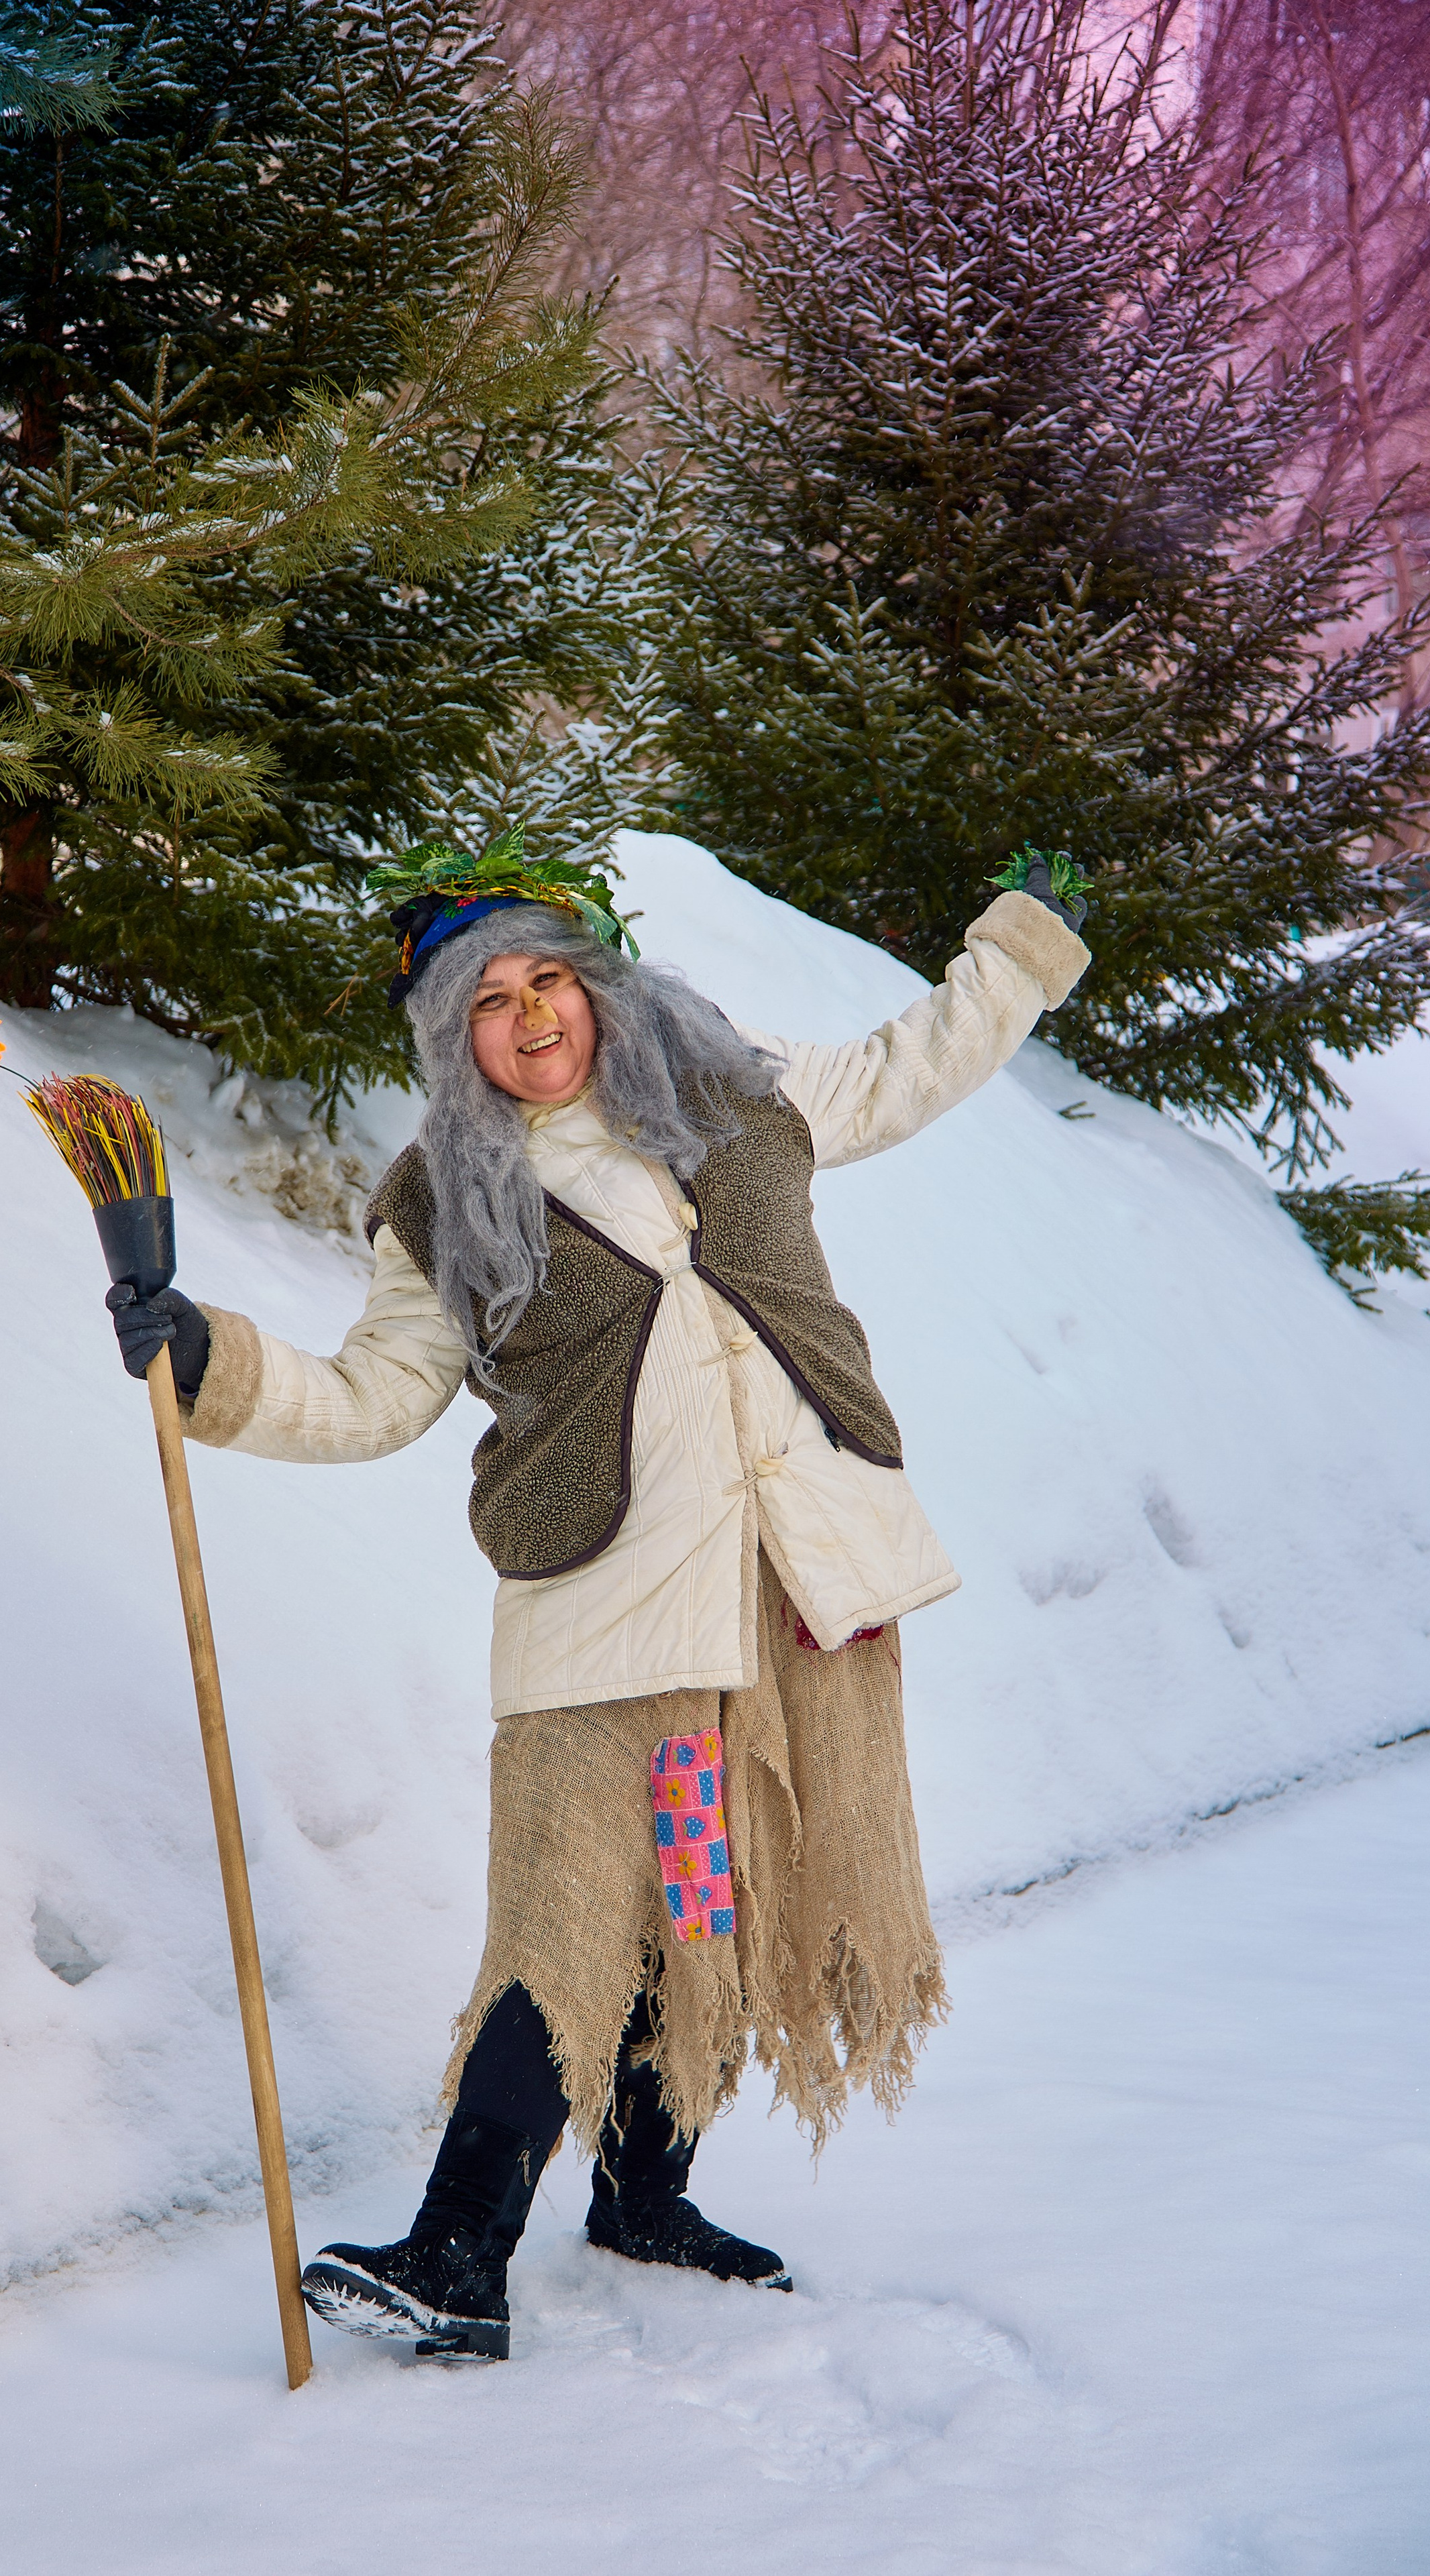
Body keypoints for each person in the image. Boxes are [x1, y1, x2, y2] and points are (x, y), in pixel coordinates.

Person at [108, 836, 1091, 2361]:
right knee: (563, 1916)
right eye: (484, 1001)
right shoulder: (439, 1200)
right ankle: (456, 2251)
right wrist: (212, 1365)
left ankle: (643, 2193)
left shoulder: (734, 1090)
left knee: (698, 1904)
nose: (526, 1015)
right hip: (608, 1613)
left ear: (596, 981)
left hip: (786, 1598)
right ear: (454, 1043)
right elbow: (373, 1395)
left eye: (543, 976)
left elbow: (911, 1065)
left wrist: (1014, 955)